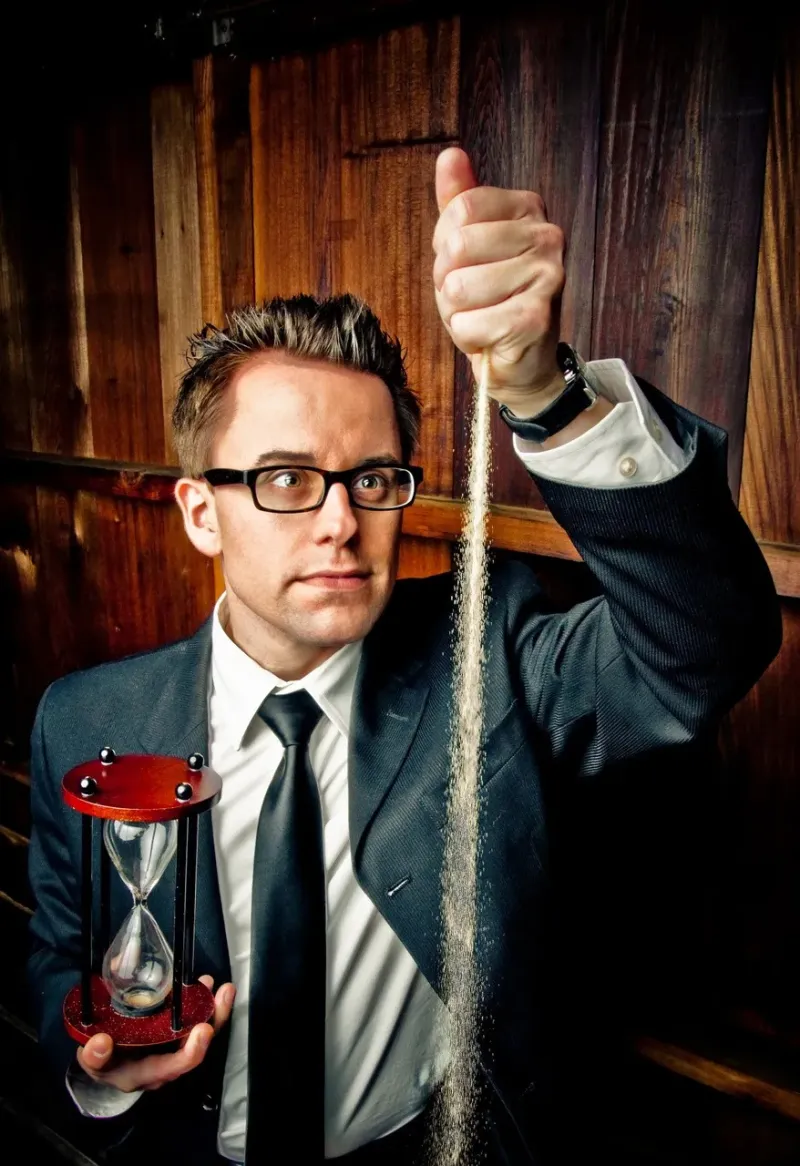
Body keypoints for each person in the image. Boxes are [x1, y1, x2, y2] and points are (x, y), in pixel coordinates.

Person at [28, 147, 781, 1165]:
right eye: (288, 478)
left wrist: (540, 391)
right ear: (200, 511)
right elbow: (56, 964)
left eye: (373, 477)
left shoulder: (488, 652)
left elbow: (707, 637)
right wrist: (93, 1071)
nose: (342, 522)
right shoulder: (84, 722)